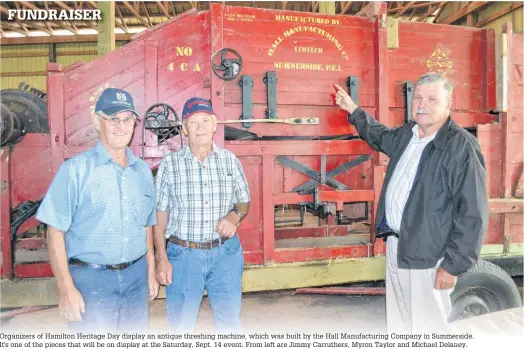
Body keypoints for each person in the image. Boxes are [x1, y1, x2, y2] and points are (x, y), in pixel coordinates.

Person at [334, 73, 488, 333]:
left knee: (429, 329)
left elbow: (473, 213)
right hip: (397, 245)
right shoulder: (408, 135)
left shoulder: (460, 146)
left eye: (431, 99)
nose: (422, 104)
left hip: (429, 254)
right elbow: (379, 135)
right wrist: (353, 110)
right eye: (418, 97)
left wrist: (452, 265)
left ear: (448, 104)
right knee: (400, 323)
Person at [36, 88, 159, 333]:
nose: (121, 126)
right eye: (113, 119)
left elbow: (146, 225)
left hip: (136, 277)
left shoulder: (142, 171)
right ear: (96, 121)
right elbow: (55, 231)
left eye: (127, 119)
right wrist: (65, 288)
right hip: (91, 281)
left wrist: (151, 270)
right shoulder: (75, 170)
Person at [154, 97, 250, 333]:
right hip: (184, 257)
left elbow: (244, 201)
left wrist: (234, 217)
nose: (200, 127)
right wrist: (161, 258)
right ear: (184, 129)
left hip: (225, 254)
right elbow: (160, 215)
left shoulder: (230, 160)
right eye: (193, 122)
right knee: (182, 328)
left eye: (205, 121)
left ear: (214, 124)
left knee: (229, 326)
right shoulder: (170, 165)